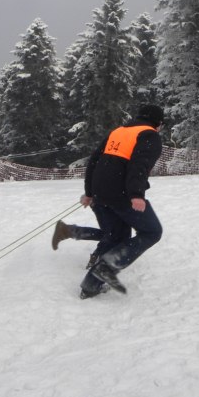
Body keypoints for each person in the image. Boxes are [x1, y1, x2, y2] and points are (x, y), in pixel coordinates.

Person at [77, 104, 165, 299]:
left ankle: (92, 284)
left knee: (117, 235)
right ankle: (100, 272)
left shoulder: (119, 131)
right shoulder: (149, 135)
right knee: (151, 232)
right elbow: (139, 166)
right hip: (122, 194)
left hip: (100, 193)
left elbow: (94, 160)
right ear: (158, 123)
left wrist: (89, 192)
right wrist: (136, 195)